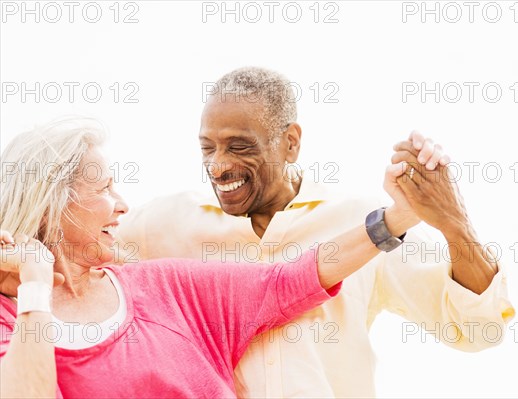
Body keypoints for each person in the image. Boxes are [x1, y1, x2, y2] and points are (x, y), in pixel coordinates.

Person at [119, 67, 515, 398]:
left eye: (239, 147)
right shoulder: (163, 224)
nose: (218, 166)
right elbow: (78, 262)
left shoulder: (367, 224)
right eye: (208, 148)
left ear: (290, 143)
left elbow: (479, 328)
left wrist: (454, 223)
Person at [0, 117, 418, 398]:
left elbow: (288, 280)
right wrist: (36, 286)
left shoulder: (165, 288)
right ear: (53, 202)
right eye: (105, 189)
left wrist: (397, 218)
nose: (122, 205)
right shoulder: (8, 317)